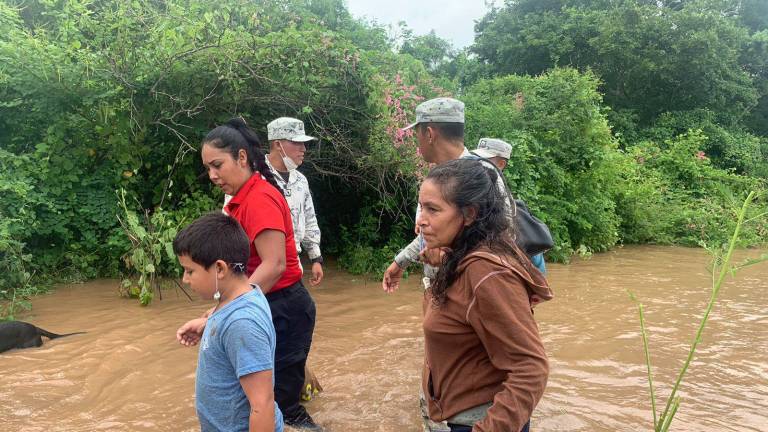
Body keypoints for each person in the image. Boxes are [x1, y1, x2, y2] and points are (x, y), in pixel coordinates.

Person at [176, 118, 322, 431]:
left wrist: (220, 312)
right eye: (208, 168)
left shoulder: (259, 199)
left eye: (218, 165)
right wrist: (214, 314)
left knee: (282, 403)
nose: (213, 176)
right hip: (266, 300)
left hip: (283, 304)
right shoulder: (239, 199)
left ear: (242, 158)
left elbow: (274, 265)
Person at [417, 159, 552, 431]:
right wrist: (441, 267)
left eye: (433, 209)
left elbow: (531, 368)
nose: (420, 221)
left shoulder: (486, 273)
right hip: (460, 415)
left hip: (480, 421)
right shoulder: (462, 257)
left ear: (469, 214)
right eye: (421, 207)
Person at [382, 97, 551, 293]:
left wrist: (447, 259)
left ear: (429, 134)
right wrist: (400, 262)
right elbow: (428, 234)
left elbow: (501, 243)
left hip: (473, 295)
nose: (416, 141)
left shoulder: (482, 175)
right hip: (444, 292)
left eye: (417, 133)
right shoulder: (438, 177)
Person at [173, 212, 283, 432]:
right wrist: (208, 325)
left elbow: (262, 404)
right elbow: (229, 317)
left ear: (220, 269)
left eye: (189, 271)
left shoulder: (242, 322)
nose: (185, 279)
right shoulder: (244, 294)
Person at [471, 138, 547, 274]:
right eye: (477, 157)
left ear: (501, 164)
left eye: (486, 159)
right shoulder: (475, 186)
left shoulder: (499, 194)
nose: (478, 162)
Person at [264, 117, 324, 286]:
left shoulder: (301, 181)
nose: (303, 149)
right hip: (260, 268)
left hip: (292, 267)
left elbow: (310, 218)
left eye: (304, 144)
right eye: (297, 143)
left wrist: (316, 258)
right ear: (277, 144)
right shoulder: (253, 178)